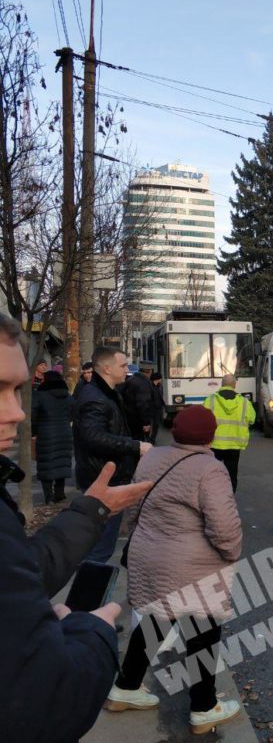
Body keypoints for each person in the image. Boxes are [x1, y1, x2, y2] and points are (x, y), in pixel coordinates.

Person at [0, 312, 153, 743]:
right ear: (105, 368)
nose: (15, 413)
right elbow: (47, 703)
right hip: (100, 474)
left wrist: (91, 511)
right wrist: (92, 630)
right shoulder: (92, 397)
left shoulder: (103, 391)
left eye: (16, 390)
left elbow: (23, 569)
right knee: (99, 558)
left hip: (101, 488)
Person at [107, 405, 242, 734]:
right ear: (210, 435)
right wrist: (232, 552)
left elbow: (135, 505)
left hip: (149, 552)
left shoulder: (151, 458)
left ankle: (125, 687)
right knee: (203, 633)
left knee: (156, 619)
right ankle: (204, 707)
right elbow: (223, 528)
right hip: (193, 564)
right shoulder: (210, 469)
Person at [74, 346, 152, 563]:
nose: (127, 370)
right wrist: (135, 446)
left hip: (107, 477)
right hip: (103, 481)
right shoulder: (96, 398)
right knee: (100, 549)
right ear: (107, 369)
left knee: (101, 546)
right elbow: (93, 437)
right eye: (123, 365)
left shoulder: (107, 394)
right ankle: (87, 595)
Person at [202, 374, 256, 492]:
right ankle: (229, 498)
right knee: (231, 474)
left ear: (222, 384)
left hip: (214, 444)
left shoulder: (210, 400)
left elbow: (202, 420)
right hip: (234, 445)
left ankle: (212, 495)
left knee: (212, 473)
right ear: (234, 385)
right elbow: (252, 419)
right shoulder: (245, 402)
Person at [32, 369, 74, 504]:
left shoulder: (39, 395)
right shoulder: (67, 396)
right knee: (61, 463)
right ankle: (60, 493)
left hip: (46, 433)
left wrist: (34, 431)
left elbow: (33, 415)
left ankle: (48, 496)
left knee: (46, 464)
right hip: (65, 432)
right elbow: (75, 409)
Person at [119, 359, 157, 442]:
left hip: (129, 418)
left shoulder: (131, 380)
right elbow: (143, 404)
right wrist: (146, 423)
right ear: (149, 371)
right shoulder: (144, 383)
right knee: (140, 442)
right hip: (138, 421)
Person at [150, 370, 166, 443]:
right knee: (149, 424)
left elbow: (161, 396)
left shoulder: (160, 386)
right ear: (157, 378)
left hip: (159, 408)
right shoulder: (149, 386)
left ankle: (153, 439)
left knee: (156, 425)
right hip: (151, 408)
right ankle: (147, 438)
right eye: (160, 378)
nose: (161, 379)